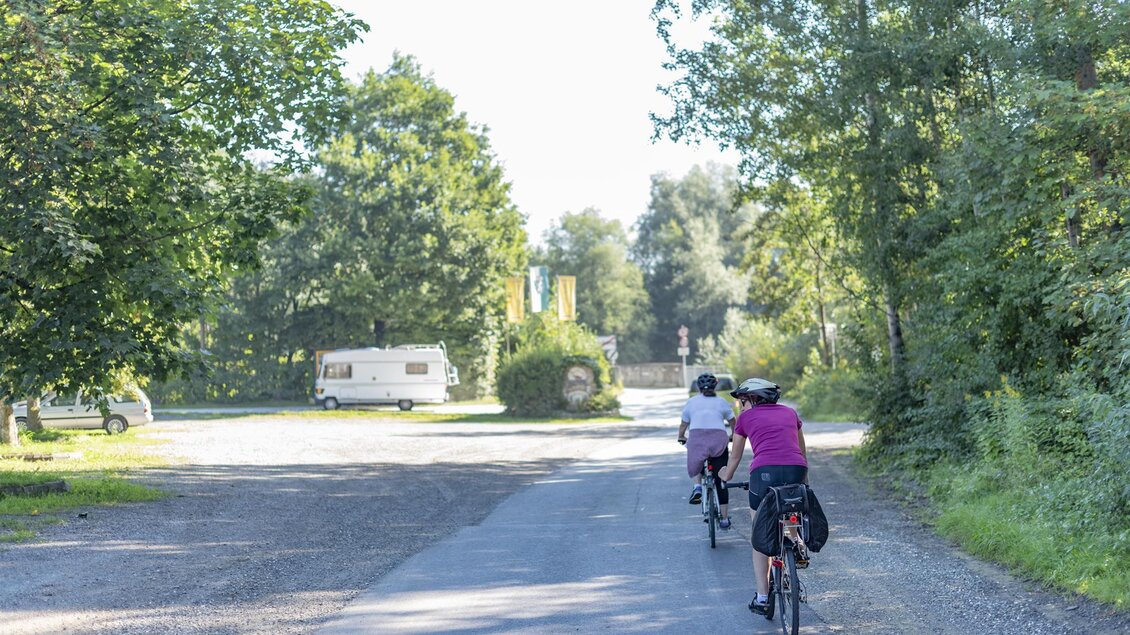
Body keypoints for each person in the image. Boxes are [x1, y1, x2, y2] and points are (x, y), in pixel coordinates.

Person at [718, 377, 808, 616]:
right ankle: (795, 540)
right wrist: (804, 482)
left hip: (764, 474)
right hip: (796, 470)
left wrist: (725, 476)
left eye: (742, 400)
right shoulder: (790, 413)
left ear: (754, 399)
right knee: (790, 510)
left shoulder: (745, 419)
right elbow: (800, 451)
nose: (740, 406)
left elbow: (735, 457)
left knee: (759, 533)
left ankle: (761, 597)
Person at [678, 373, 736, 529]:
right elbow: (732, 422)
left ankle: (697, 486)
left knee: (695, 459)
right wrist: (733, 436)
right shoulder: (722, 402)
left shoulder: (691, 402)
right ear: (714, 387)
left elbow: (684, 424)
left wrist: (681, 436)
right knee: (721, 480)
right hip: (718, 439)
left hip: (697, 438)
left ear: (698, 387)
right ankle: (724, 519)